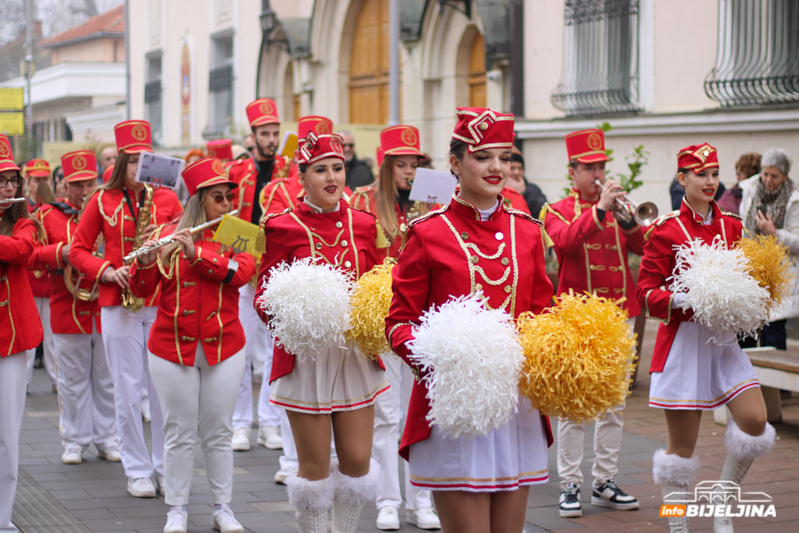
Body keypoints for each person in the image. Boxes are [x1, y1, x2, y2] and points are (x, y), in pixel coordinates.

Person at [385, 107, 554, 533]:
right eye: (482, 156)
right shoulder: (427, 232)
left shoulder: (528, 231)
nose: (497, 167)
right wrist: (447, 361)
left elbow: (542, 315)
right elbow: (399, 323)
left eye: (505, 157)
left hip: (517, 406)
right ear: (456, 165)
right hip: (455, 406)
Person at [254, 118, 388, 533]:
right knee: (312, 469)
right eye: (320, 169)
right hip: (304, 358)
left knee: (357, 463)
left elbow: (380, 284)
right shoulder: (280, 226)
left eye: (337, 167)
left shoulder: (366, 224)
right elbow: (263, 297)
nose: (332, 177)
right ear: (303, 176)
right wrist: (298, 317)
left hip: (354, 358)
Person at [638, 144, 774, 533]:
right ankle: (677, 527)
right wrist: (682, 297)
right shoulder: (664, 230)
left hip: (725, 343)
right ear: (682, 179)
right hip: (684, 345)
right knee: (680, 453)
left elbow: (746, 278)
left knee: (755, 421)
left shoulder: (731, 225)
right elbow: (645, 293)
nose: (710, 181)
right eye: (701, 174)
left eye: (714, 173)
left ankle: (723, 500)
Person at [130, 157, 254, 533]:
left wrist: (196, 254)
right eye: (218, 198)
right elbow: (139, 291)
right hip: (171, 347)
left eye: (229, 197)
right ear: (199, 202)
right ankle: (177, 509)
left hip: (224, 345)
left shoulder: (238, 234)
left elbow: (240, 274)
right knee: (178, 430)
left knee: (218, 430)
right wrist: (147, 260)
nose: (227, 205)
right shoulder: (166, 233)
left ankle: (223, 508)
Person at [540, 129, 641, 518]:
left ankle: (604, 481)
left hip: (620, 313)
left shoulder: (616, 208)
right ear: (573, 171)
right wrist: (598, 210)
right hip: (577, 317)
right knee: (574, 404)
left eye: (602, 165)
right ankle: (569, 483)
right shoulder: (555, 210)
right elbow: (563, 244)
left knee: (614, 404)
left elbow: (646, 249)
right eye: (590, 167)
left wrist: (628, 221)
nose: (598, 172)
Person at [69, 120, 168, 499]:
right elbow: (78, 250)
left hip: (159, 302)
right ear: (121, 164)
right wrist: (108, 271)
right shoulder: (100, 200)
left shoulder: (166, 199)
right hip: (119, 304)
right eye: (134, 163)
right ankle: (138, 469)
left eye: (147, 161)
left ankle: (163, 466)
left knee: (161, 391)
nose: (141, 170)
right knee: (127, 390)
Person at [350, 125, 441, 530]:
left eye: (414, 163)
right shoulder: (363, 200)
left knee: (420, 413)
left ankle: (421, 500)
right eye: (400, 164)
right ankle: (388, 499)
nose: (408, 171)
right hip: (382, 318)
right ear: (386, 166)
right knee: (386, 415)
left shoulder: (436, 197)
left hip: (425, 318)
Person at [28, 150, 119, 465]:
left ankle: (107, 438)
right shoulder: (45, 214)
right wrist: (61, 252)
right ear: (64, 185)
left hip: (105, 304)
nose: (83, 191)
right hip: (67, 308)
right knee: (71, 378)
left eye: (89, 183)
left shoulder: (109, 210)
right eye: (77, 184)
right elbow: (31, 256)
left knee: (106, 377)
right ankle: (74, 440)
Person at [226, 98, 288, 453]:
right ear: (253, 136)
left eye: (275, 133)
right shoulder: (238, 172)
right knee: (243, 349)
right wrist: (246, 250)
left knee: (275, 351)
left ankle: (269, 420)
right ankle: (239, 422)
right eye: (265, 133)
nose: (271, 139)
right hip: (246, 267)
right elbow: (227, 218)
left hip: (277, 269)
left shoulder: (290, 171)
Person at [0, 134, 44, 533]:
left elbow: (19, 251)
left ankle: (2, 516)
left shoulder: (25, 221)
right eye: (1, 181)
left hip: (11, 338)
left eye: (12, 180)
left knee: (7, 431)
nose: (9, 187)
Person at [739, 148, 799, 350]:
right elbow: (742, 227)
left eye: (774, 176)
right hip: (750, 271)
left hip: (778, 275)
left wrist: (774, 233)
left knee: (773, 334)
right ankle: (745, 380)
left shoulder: (794, 198)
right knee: (745, 331)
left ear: (784, 176)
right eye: (765, 174)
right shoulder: (750, 189)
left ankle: (776, 381)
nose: (768, 180)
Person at [23, 158, 57, 392]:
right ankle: (22, 382)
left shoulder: (56, 208)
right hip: (29, 284)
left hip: (51, 282)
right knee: (27, 337)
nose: (41, 184)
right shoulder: (21, 207)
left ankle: (57, 382)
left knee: (54, 338)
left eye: (45, 179)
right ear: (28, 182)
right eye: (36, 180)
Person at [508, 150, 548, 219]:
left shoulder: (533, 189)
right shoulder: (497, 190)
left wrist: (523, 193)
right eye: (512, 168)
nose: (516, 172)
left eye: (520, 168)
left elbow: (543, 211)